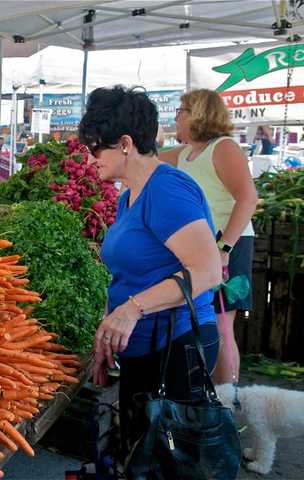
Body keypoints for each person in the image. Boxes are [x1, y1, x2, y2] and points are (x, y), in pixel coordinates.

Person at [79, 86, 222, 454]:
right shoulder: (129, 195)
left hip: (176, 346)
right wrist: (108, 332)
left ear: (125, 143)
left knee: (170, 460)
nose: (90, 157)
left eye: (96, 147)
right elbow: (131, 275)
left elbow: (207, 272)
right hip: (145, 348)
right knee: (140, 455)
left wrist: (132, 310)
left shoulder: (167, 190)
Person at [160, 89, 258, 385]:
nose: (176, 117)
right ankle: (210, 396)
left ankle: (227, 401)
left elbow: (248, 199)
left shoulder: (223, 147)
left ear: (198, 114)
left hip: (230, 243)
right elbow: (147, 161)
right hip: (206, 247)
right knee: (204, 321)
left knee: (221, 322)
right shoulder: (187, 153)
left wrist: (224, 247)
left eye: (181, 111)